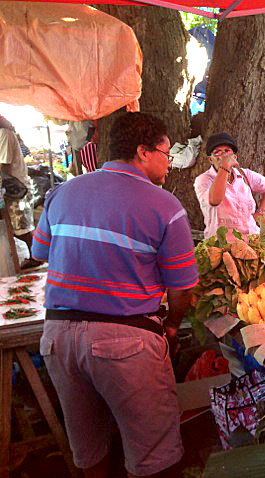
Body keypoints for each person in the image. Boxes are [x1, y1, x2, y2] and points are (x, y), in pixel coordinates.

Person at [32, 112, 199, 478]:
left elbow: (41, 253)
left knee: (89, 447)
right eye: (165, 153)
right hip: (126, 342)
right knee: (152, 454)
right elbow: (183, 288)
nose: (169, 164)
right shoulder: (166, 207)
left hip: (58, 340)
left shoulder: (61, 192)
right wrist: (171, 325)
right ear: (142, 152)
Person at [195, 132, 265, 240]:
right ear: (210, 159)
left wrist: (261, 212)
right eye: (217, 153)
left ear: (234, 157)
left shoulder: (245, 175)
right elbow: (215, 200)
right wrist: (225, 167)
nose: (223, 156)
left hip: (252, 239)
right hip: (222, 245)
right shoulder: (203, 180)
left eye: (227, 151)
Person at [0, 116, 39, 269]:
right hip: (11, 187)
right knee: (18, 228)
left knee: (22, 228)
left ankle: (37, 256)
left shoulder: (4, 133)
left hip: (17, 187)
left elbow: (3, 163)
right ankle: (35, 255)